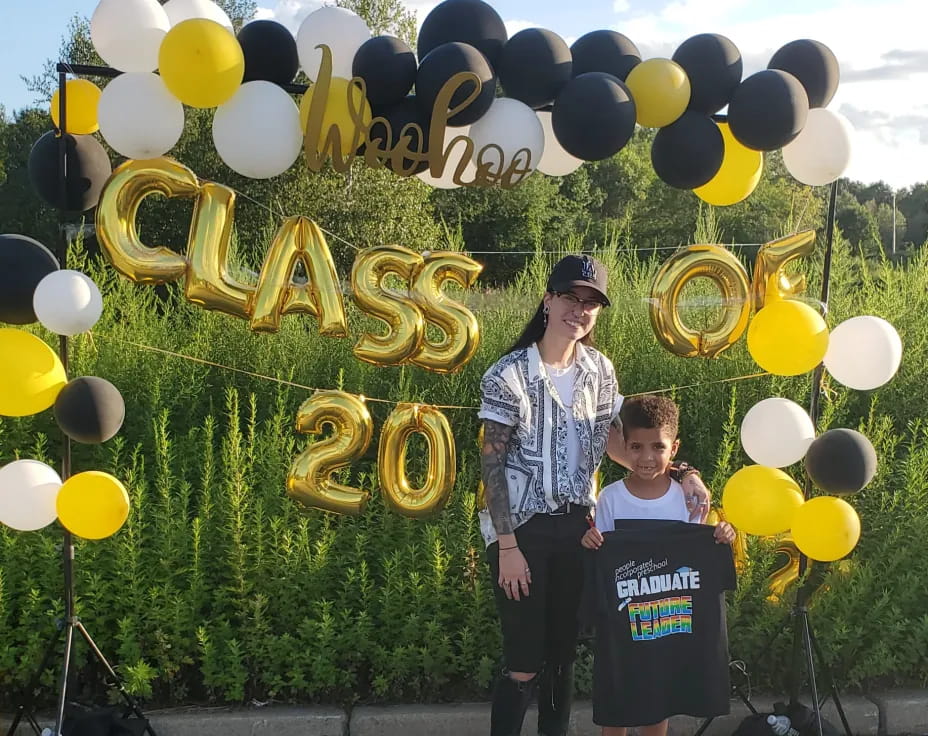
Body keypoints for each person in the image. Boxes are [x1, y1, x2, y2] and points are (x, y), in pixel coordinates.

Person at [479, 254, 711, 736]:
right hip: (521, 532)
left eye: (591, 303)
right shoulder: (508, 375)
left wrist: (684, 473)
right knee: (524, 662)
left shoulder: (599, 371)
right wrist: (507, 547)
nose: (579, 310)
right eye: (570, 297)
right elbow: (492, 465)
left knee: (563, 658)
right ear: (548, 300)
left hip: (581, 530)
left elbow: (622, 444)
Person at [581, 395, 737, 736]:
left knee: (658, 705)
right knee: (616, 708)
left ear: (674, 448)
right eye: (636, 447)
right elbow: (601, 558)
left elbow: (698, 551)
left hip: (668, 627)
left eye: (658, 447)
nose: (647, 458)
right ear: (622, 445)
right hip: (622, 630)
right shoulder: (610, 497)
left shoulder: (687, 498)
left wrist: (724, 534)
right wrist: (590, 543)